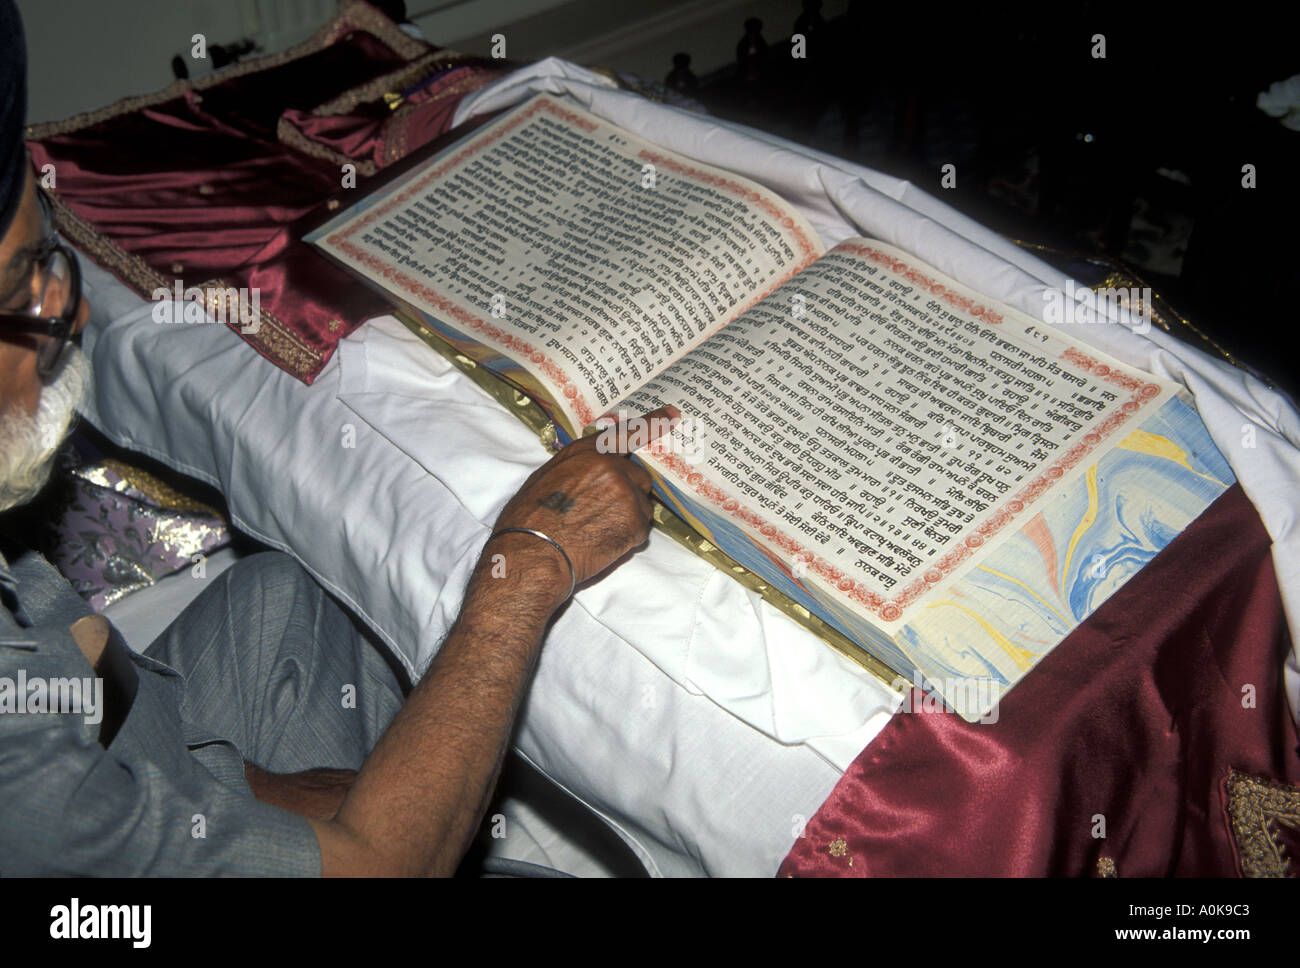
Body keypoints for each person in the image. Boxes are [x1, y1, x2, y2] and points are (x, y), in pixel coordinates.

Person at [0, 0, 672, 875]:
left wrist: (240, 810)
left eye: (47, 261)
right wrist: (529, 562)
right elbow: (379, 867)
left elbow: (95, 709)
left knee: (284, 599)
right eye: (23, 285)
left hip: (108, 765)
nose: (70, 309)